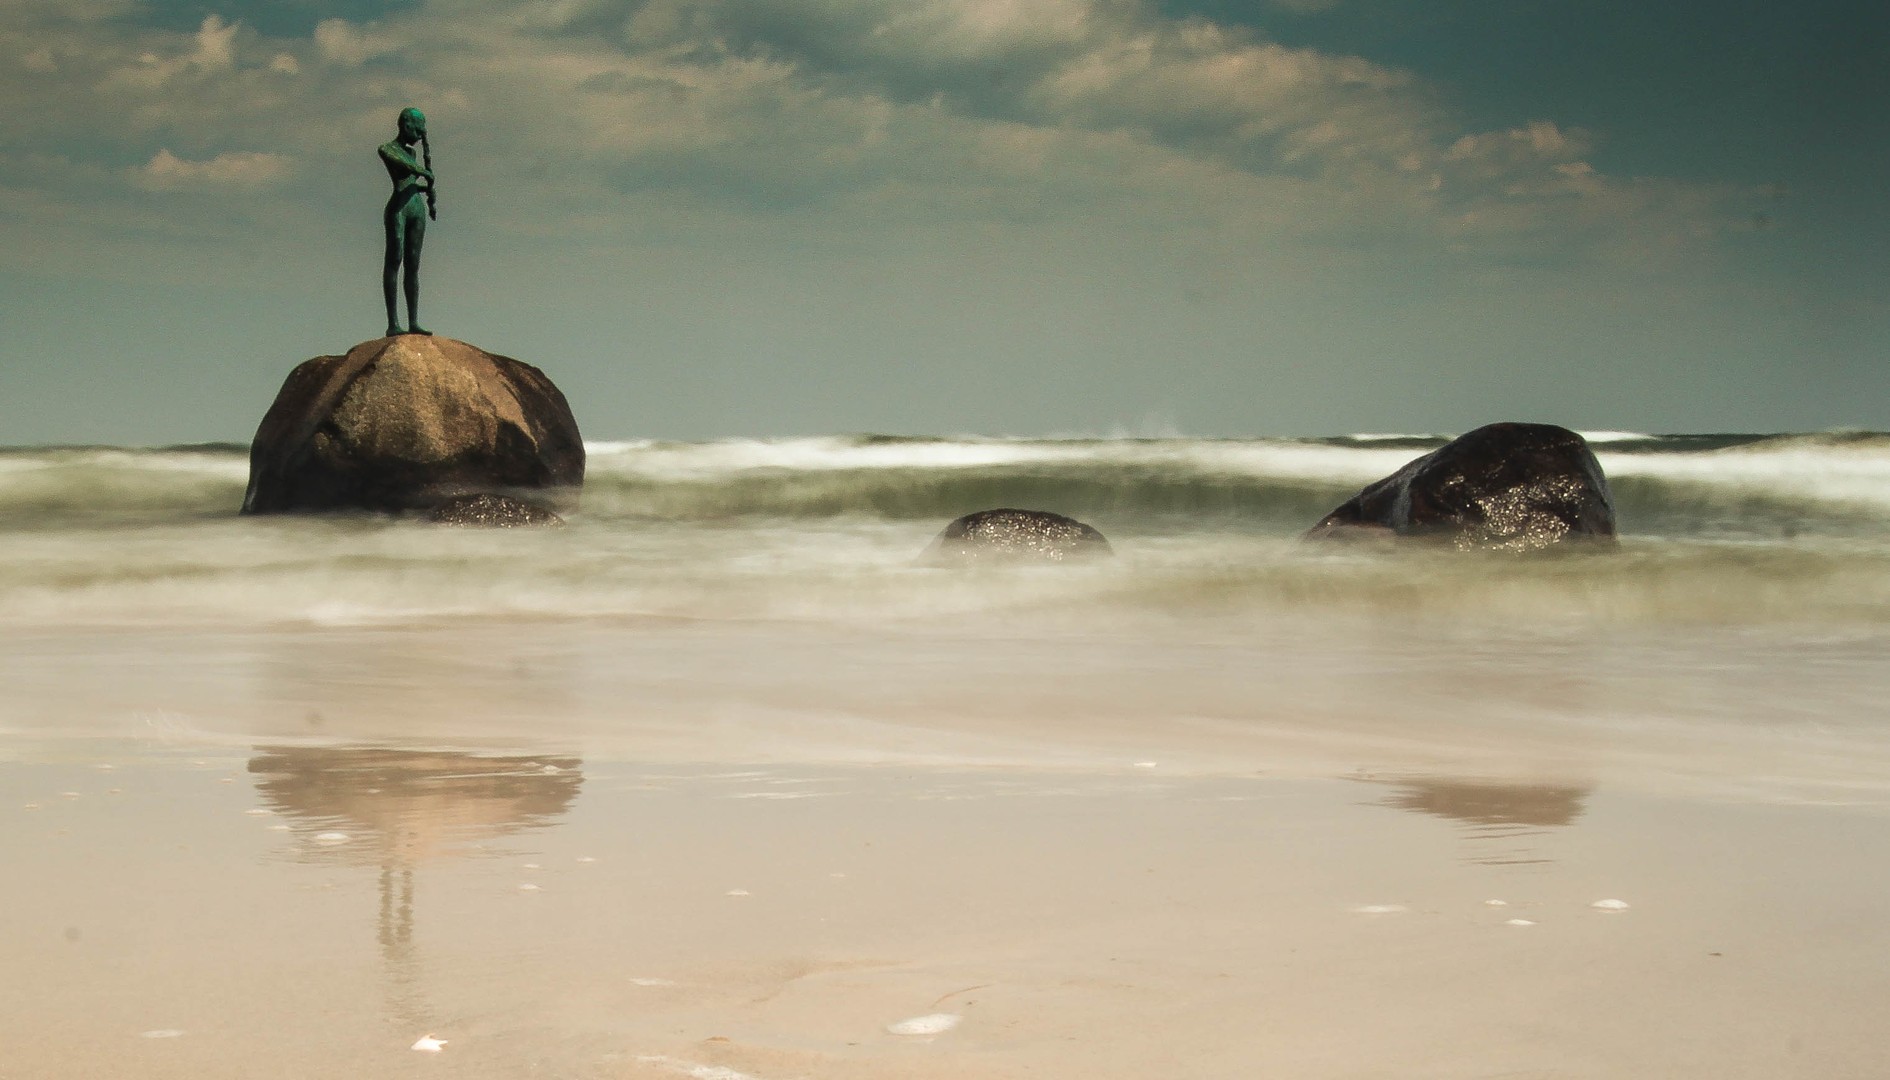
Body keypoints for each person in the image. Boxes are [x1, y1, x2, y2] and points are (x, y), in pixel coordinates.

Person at [379, 107, 436, 336]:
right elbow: (404, 167)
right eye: (419, 130)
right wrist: (422, 171)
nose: (421, 137)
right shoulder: (387, 149)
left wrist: (426, 188)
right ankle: (393, 322)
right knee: (395, 259)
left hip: (416, 208)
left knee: (413, 265)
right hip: (399, 209)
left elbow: (411, 179)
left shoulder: (412, 154)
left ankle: (413, 321)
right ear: (407, 126)